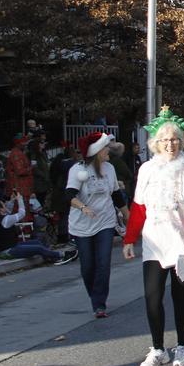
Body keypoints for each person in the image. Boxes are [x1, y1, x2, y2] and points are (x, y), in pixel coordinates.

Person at [123, 109, 184, 366]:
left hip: (183, 244)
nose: (170, 144)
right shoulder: (148, 169)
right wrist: (129, 239)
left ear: (181, 141)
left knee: (180, 296)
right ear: (155, 144)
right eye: (164, 140)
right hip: (154, 243)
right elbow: (138, 208)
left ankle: (182, 345)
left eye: (174, 139)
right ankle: (158, 348)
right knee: (152, 296)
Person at [68, 132, 129, 318]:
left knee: (103, 263)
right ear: (96, 151)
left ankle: (99, 304)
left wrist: (129, 217)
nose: (108, 151)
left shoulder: (109, 168)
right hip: (82, 224)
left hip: (105, 221)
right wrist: (83, 207)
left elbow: (116, 196)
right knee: (88, 266)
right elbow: (69, 195)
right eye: (105, 148)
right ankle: (94, 295)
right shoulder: (77, 170)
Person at [0, 192, 77, 263]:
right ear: (0, 209)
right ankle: (62, 255)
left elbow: (8, 210)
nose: (5, 205)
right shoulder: (5, 220)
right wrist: (20, 200)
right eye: (4, 205)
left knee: (37, 242)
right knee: (38, 248)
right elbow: (22, 214)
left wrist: (12, 200)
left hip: (13, 246)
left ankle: (50, 256)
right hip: (8, 251)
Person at [5, 134, 34, 201]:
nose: (26, 144)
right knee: (21, 209)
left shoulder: (18, 152)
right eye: (24, 142)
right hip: (19, 187)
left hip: (21, 187)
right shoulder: (16, 154)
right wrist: (31, 167)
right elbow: (20, 171)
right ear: (18, 143)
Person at [27, 136, 51, 207]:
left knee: (43, 198)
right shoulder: (34, 155)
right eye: (42, 143)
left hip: (44, 181)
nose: (44, 144)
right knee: (39, 198)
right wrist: (43, 175)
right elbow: (34, 168)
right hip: (39, 182)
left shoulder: (43, 154)